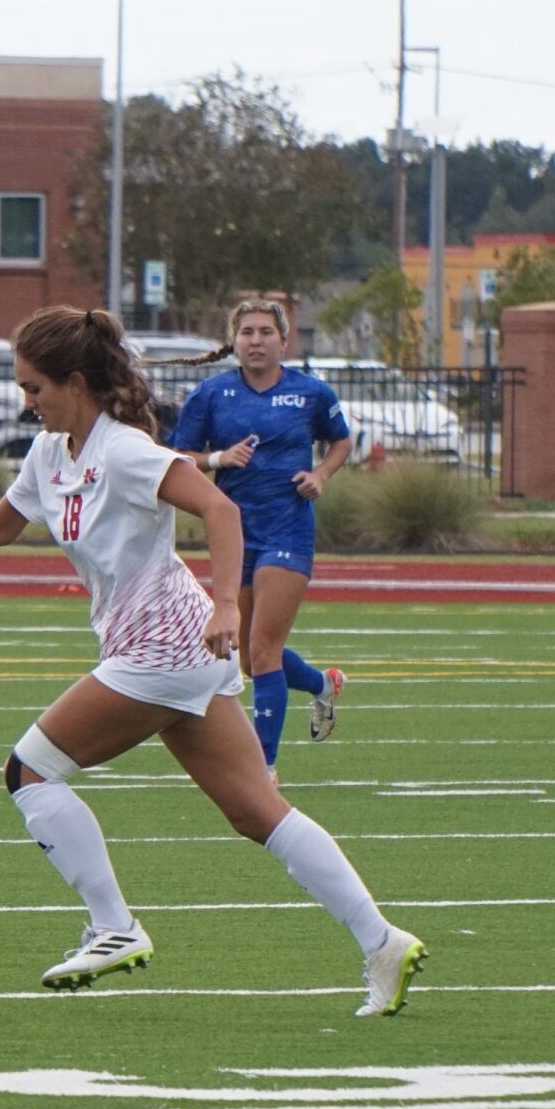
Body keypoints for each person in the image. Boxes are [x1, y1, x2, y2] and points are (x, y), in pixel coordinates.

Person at [0, 305, 426, 1017]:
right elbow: (0, 525)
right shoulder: (49, 454)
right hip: (177, 651)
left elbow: (220, 512)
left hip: (164, 649)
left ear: (73, 382)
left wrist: (229, 604)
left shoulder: (124, 450)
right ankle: (382, 940)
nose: (24, 401)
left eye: (33, 388)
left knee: (28, 769)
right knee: (257, 812)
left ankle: (113, 926)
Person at [167, 301, 353, 775]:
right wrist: (218, 459)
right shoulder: (211, 394)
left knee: (265, 648)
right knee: (249, 656)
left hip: (288, 527)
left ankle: (262, 769)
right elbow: (179, 456)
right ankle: (322, 685)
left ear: (283, 341)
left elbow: (341, 441)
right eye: (247, 331)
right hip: (234, 534)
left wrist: (322, 475)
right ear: (235, 342)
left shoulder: (310, 393)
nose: (256, 339)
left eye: (265, 331)